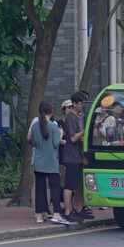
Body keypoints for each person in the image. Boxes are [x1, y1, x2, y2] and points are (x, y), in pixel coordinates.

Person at [29, 102, 70, 225]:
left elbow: (34, 142)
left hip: (39, 161)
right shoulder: (53, 126)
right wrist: (61, 133)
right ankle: (57, 213)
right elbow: (56, 143)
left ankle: (39, 216)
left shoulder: (35, 126)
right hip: (51, 161)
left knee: (40, 189)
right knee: (55, 188)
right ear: (51, 111)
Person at [62, 92, 93, 222]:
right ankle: (68, 211)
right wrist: (84, 131)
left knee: (79, 185)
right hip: (71, 156)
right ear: (74, 104)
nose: (82, 106)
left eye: (83, 104)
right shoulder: (70, 117)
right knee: (69, 185)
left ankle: (79, 209)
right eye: (80, 104)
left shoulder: (80, 117)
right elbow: (73, 138)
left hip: (80, 155)